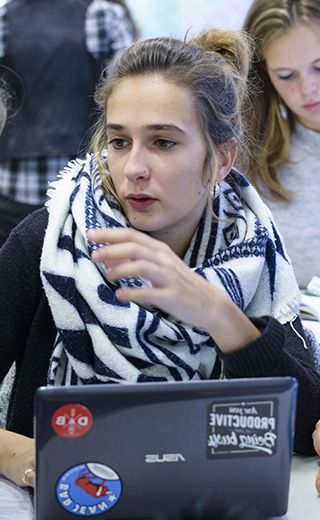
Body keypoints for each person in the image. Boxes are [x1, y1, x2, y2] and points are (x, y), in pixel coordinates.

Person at [0, 27, 320, 491]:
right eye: (120, 142)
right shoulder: (52, 239)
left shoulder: (250, 246)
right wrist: (20, 455)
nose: (133, 168)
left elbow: (306, 424)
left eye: (163, 143)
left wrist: (217, 312)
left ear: (222, 158)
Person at [0, 0, 138, 246]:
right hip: (86, 181)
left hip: (11, 184)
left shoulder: (4, 19)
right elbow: (134, 97)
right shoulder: (103, 16)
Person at [243, 0, 320, 288]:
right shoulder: (249, 159)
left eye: (319, 67)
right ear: (265, 78)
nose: (307, 89)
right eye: (286, 75)